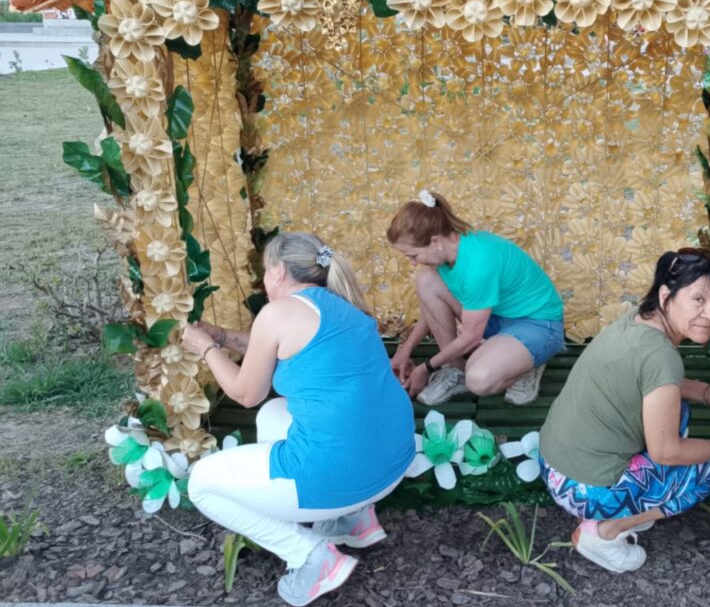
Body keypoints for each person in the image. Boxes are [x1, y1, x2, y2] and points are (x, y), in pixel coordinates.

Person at [181, 233, 415, 607]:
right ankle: (353, 519)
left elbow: (245, 394)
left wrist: (205, 347)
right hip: (392, 463)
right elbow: (270, 348)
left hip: (347, 474)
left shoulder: (277, 313)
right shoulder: (342, 304)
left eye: (264, 272)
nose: (263, 281)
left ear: (277, 271)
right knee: (273, 413)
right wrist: (222, 336)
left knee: (201, 485)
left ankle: (310, 555)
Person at [537, 249, 710, 573]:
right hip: (583, 489)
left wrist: (709, 393)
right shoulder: (661, 356)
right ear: (666, 295)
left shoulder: (638, 320)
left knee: (678, 411)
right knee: (709, 470)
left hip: (554, 464)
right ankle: (604, 533)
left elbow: (650, 380)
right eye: (698, 300)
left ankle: (626, 502)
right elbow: (666, 452)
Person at [386, 190, 564, 407]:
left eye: (413, 255)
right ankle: (456, 369)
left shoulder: (477, 264)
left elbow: (470, 337)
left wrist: (425, 368)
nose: (413, 263)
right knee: (426, 280)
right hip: (495, 317)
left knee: (478, 379)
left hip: (538, 325)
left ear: (435, 241)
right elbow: (431, 312)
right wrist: (405, 350)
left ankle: (526, 365)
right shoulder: (447, 254)